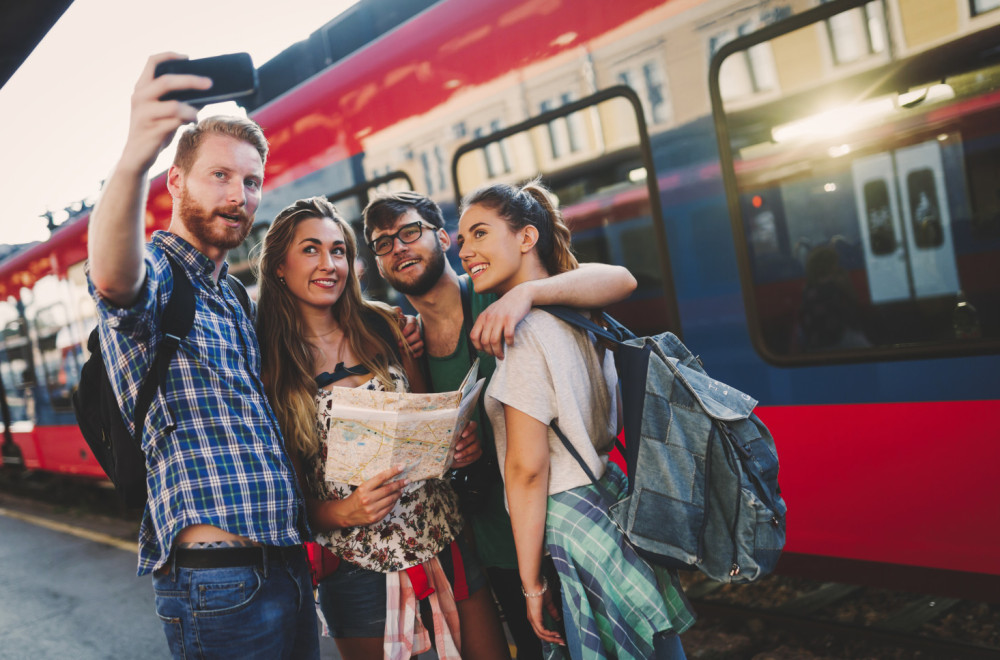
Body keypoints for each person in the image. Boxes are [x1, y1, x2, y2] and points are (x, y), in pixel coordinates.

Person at [87, 54, 319, 658]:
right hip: (220, 584)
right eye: (219, 175)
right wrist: (137, 152)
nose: (238, 195)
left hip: (288, 567)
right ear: (175, 182)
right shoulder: (160, 275)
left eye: (250, 181)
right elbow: (114, 280)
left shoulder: (233, 295)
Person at [362, 191, 637, 659]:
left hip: (556, 525)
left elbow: (620, 280)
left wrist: (527, 294)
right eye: (383, 243)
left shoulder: (498, 289)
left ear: (443, 238)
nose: (399, 247)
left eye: (410, 232)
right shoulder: (407, 344)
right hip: (493, 541)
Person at [256, 196, 511, 660]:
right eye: (311, 250)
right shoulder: (271, 368)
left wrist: (453, 445)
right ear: (278, 267)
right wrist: (347, 510)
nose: (329, 263)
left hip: (442, 535)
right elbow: (285, 500)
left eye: (338, 250)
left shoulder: (385, 325)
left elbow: (422, 416)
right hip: (357, 569)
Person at [457, 180, 695, 658]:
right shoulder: (584, 315)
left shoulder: (524, 335)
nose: (465, 251)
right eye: (462, 240)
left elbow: (528, 470)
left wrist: (529, 584)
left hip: (570, 523)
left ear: (526, 238)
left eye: (479, 233)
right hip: (608, 502)